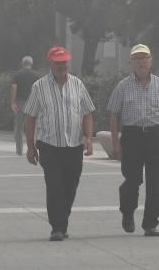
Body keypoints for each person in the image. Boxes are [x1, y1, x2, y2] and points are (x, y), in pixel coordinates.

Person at [107, 43, 159, 237]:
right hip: (132, 136)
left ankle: (150, 223)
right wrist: (115, 142)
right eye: (137, 58)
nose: (141, 62)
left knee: (156, 182)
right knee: (132, 180)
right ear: (132, 63)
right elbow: (114, 115)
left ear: (151, 61)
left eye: (144, 58)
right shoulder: (123, 86)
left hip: (156, 136)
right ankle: (128, 212)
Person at [24, 45, 95, 242]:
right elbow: (30, 117)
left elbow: (88, 112)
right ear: (51, 63)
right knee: (54, 186)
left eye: (64, 62)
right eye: (58, 63)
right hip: (49, 145)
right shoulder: (39, 87)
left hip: (73, 145)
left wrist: (88, 138)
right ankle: (57, 228)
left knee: (70, 186)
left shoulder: (78, 84)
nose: (62, 66)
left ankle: (62, 222)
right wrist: (31, 147)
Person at [10, 55, 40, 155]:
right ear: (31, 64)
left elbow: (14, 88)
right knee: (33, 126)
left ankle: (19, 150)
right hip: (33, 103)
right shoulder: (36, 75)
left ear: (23, 64)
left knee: (19, 126)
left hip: (20, 103)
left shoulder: (17, 74)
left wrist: (13, 102)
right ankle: (32, 148)